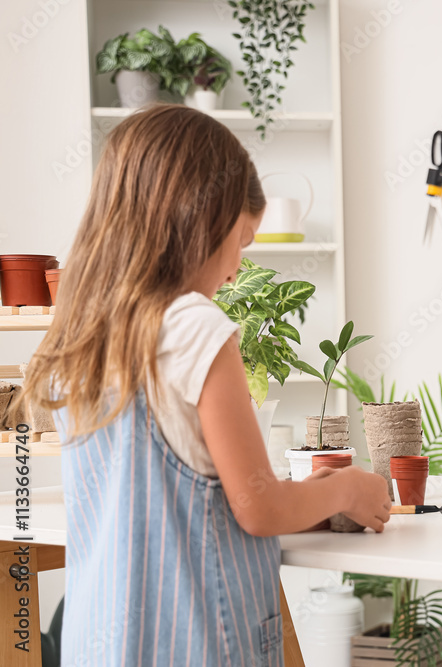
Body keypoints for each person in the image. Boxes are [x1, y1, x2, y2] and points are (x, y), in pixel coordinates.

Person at [18, 104, 392, 666]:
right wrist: (347, 489)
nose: (240, 268)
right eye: (241, 242)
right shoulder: (194, 326)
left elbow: (171, 504)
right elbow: (257, 508)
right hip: (194, 644)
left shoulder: (80, 337)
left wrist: (307, 499)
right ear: (196, 220)